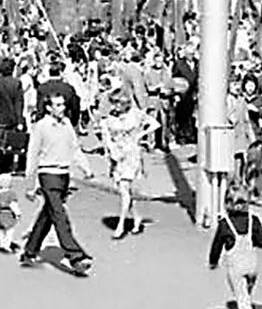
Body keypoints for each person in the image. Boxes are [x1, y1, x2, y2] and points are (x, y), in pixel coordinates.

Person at [19, 92, 95, 276]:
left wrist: (86, 168)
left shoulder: (67, 124)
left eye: (63, 105)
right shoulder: (41, 127)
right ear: (48, 107)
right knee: (60, 215)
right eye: (58, 105)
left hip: (63, 174)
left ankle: (30, 251)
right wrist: (31, 183)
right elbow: (33, 154)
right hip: (48, 174)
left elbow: (74, 147)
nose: (62, 109)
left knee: (49, 214)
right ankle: (76, 257)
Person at [208, 188, 262, 309]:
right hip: (252, 265)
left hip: (236, 267)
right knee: (246, 296)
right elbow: (261, 242)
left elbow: (217, 245)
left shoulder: (225, 224)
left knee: (242, 299)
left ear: (227, 204)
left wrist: (213, 261)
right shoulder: (254, 220)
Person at [100, 89, 159, 239]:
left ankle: (121, 225)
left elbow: (154, 124)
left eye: (117, 103)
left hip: (131, 154)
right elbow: (106, 138)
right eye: (113, 103)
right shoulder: (109, 118)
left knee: (125, 189)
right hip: (117, 155)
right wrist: (110, 152)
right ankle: (137, 219)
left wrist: (140, 135)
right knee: (123, 190)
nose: (115, 107)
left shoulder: (136, 114)